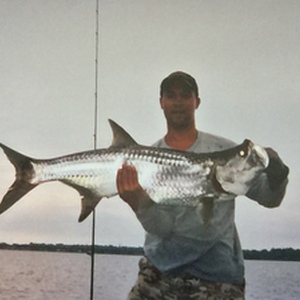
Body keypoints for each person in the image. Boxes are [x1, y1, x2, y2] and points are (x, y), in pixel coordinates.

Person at [116, 71, 289, 299]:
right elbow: (162, 228)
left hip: (217, 277)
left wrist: (278, 174)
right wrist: (140, 203)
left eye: (185, 95)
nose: (178, 102)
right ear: (161, 102)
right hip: (158, 273)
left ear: (197, 101)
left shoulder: (224, 150)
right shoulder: (146, 163)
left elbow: (270, 198)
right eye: (171, 95)